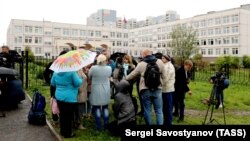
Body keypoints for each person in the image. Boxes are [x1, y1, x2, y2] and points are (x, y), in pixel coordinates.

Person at [125, 49, 166, 125]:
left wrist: (125, 78)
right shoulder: (160, 62)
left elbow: (132, 75)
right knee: (159, 110)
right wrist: (161, 84)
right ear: (151, 53)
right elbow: (164, 76)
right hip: (157, 89)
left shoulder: (141, 64)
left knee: (147, 110)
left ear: (144, 55)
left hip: (145, 89)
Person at [50, 69, 83, 138]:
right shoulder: (72, 72)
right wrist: (80, 78)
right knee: (69, 116)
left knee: (62, 115)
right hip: (70, 98)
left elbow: (52, 83)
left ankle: (62, 131)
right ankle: (68, 133)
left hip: (59, 96)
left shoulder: (55, 72)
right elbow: (78, 83)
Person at [44, 50, 68, 123]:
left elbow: (45, 73)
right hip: (57, 86)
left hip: (56, 85)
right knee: (56, 101)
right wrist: (49, 81)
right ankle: (56, 118)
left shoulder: (61, 64)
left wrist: (50, 81)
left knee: (56, 101)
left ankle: (56, 118)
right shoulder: (54, 64)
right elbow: (45, 73)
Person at [88, 54, 112, 130]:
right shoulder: (109, 68)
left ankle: (98, 126)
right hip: (106, 88)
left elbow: (89, 76)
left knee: (97, 107)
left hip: (96, 89)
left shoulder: (93, 68)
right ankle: (106, 125)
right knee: (105, 107)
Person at [161, 55, 175, 126]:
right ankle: (166, 121)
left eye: (163, 58)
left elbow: (165, 78)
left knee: (168, 107)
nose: (162, 59)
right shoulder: (165, 65)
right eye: (161, 58)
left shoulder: (169, 66)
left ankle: (168, 122)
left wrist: (160, 85)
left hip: (167, 90)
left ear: (167, 59)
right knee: (165, 107)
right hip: (164, 89)